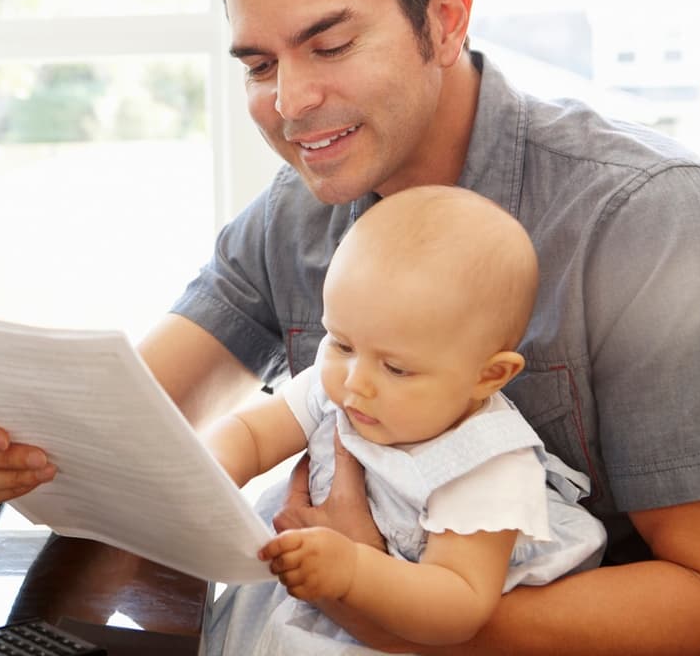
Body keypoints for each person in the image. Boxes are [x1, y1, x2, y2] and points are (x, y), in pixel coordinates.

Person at [0, 0, 700, 652]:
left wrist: (384, 601)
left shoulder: (642, 218)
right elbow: (139, 423)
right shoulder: (295, 213)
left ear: (446, 17)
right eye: (259, 65)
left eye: (328, 45)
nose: (288, 104)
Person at [202, 184, 606, 652]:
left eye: (396, 368)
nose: (356, 382)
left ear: (489, 375)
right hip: (287, 603)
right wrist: (208, 473)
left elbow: (458, 608)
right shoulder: (339, 381)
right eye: (341, 343)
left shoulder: (488, 468)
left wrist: (353, 570)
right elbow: (250, 434)